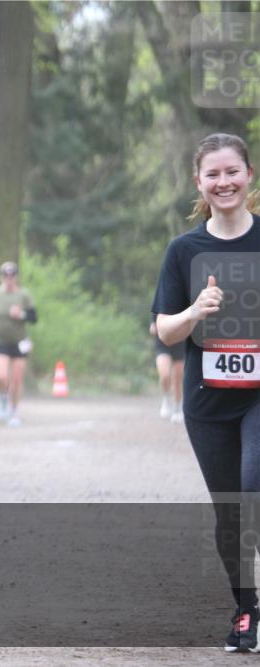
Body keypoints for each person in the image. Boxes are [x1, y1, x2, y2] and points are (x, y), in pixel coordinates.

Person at [151, 133, 260, 653]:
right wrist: (196, 311)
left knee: (254, 484)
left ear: (249, 175)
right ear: (199, 182)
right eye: (213, 174)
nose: (224, 182)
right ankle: (247, 610)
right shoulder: (185, 250)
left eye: (232, 171)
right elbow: (164, 331)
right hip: (209, 401)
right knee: (232, 513)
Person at [0, 261, 37, 427]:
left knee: (16, 380)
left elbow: (33, 318)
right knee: (1, 376)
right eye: (5, 275)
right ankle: (3, 397)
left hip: (19, 343)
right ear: (1, 277)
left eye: (12, 275)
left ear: (16, 277)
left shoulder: (23, 295)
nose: (9, 278)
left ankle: (14, 413)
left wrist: (20, 314)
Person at [149, 316, 185, 423]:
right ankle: (166, 399)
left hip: (179, 344)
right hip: (163, 344)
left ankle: (177, 409)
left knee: (177, 379)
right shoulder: (160, 303)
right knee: (164, 375)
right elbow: (153, 328)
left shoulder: (183, 304)